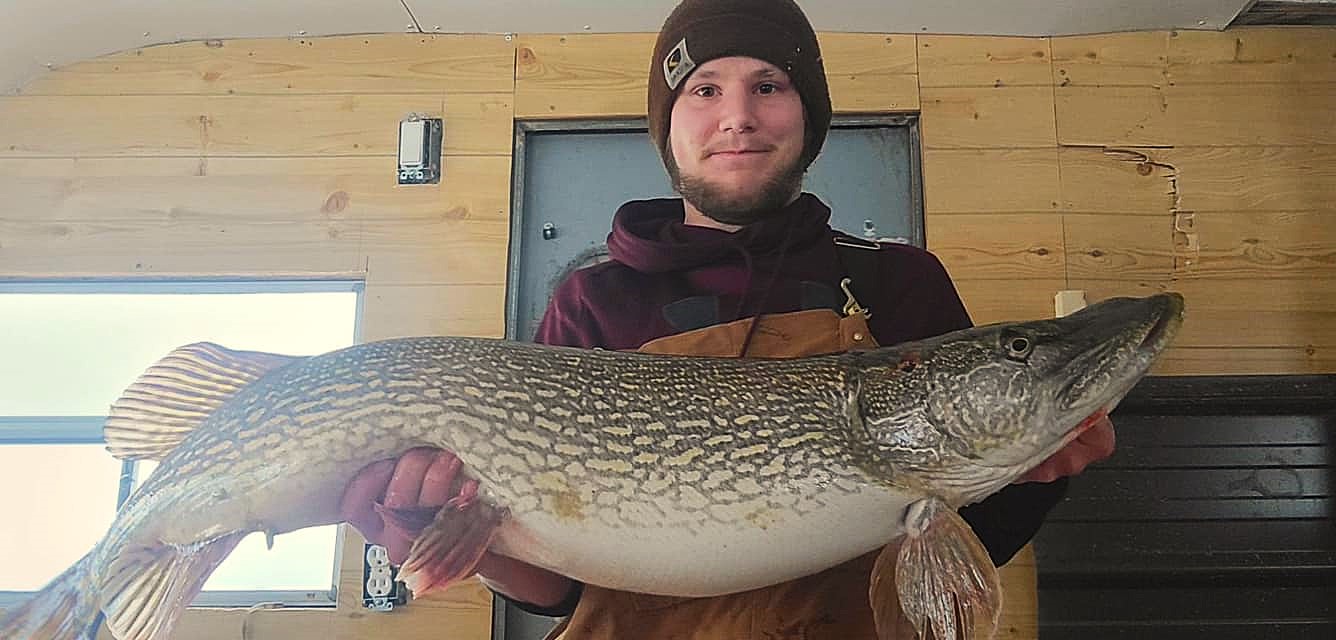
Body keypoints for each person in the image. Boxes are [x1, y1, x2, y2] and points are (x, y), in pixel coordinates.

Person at [339, 0, 1116, 637]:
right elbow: (564, 590)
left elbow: (952, 540)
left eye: (769, 86)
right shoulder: (593, 302)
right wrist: (452, 540)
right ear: (667, 123)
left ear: (807, 116)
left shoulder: (899, 280)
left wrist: (1040, 475)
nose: (737, 117)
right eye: (704, 89)